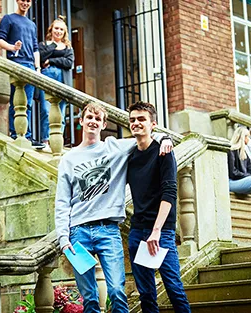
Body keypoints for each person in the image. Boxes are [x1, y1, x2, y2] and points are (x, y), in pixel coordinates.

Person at [55, 103, 172, 313]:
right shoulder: (68, 159)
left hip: (108, 231)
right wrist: (64, 239)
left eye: (97, 119)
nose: (93, 121)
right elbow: (62, 202)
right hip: (78, 233)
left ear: (103, 124)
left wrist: (165, 137)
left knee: (117, 291)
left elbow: (146, 137)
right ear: (81, 121)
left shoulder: (115, 147)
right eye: (89, 117)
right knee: (89, 297)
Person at [126, 101, 191, 313]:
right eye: (133, 119)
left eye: (141, 119)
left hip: (161, 232)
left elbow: (170, 192)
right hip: (137, 231)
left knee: (174, 288)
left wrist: (156, 231)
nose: (136, 123)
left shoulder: (164, 152)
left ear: (153, 123)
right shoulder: (130, 155)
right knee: (146, 293)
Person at [0, 0, 45, 148]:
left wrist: (37, 68)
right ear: (17, 1)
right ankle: (16, 133)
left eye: (28, 1)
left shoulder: (32, 24)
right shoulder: (8, 19)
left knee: (27, 103)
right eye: (23, 0)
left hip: (31, 66)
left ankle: (26, 135)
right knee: (17, 101)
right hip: (16, 63)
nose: (25, 3)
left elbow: (35, 48)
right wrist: (12, 47)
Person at [39, 16, 74, 146]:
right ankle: (46, 140)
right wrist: (53, 44)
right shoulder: (43, 45)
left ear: (64, 32)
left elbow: (69, 62)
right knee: (46, 109)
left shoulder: (68, 48)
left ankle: (57, 141)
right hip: (47, 77)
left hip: (62, 80)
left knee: (60, 111)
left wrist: (51, 61)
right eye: (56, 28)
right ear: (51, 29)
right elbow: (41, 57)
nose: (58, 31)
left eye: (61, 29)